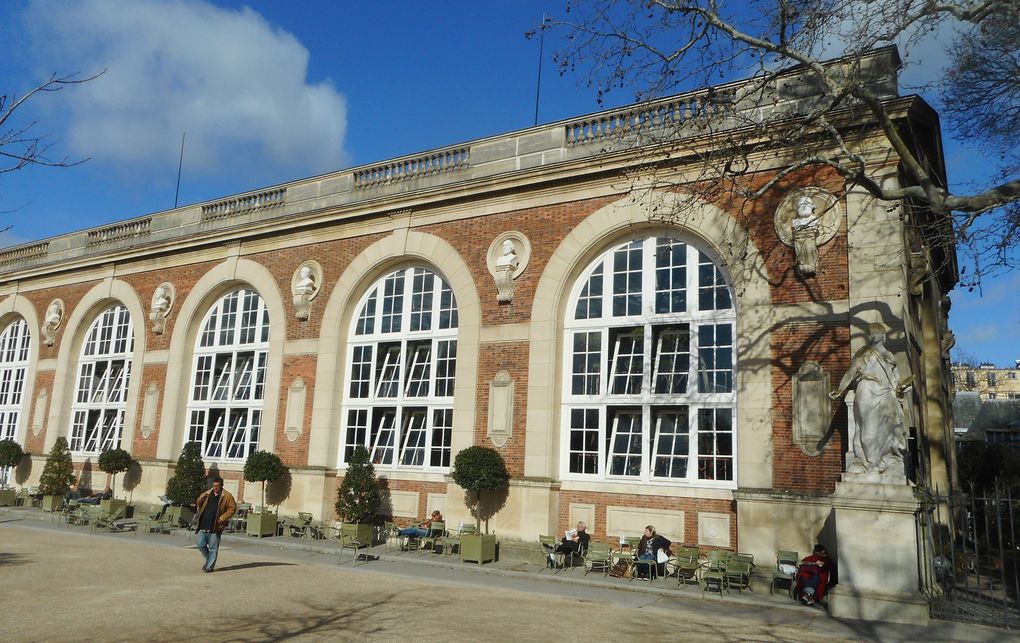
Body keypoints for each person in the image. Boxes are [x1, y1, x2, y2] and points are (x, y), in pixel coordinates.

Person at [830, 323, 911, 474]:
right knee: (868, 427)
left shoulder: (889, 356)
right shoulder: (863, 353)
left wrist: (903, 386)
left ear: (883, 336)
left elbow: (896, 379)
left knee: (894, 426)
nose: (872, 335)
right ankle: (869, 461)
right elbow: (851, 373)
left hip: (887, 393)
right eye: (870, 333)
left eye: (876, 332)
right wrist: (840, 388)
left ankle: (890, 457)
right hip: (867, 390)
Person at [194, 476, 237, 573]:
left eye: (217, 486)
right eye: (214, 486)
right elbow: (198, 503)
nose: (215, 488)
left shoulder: (227, 496)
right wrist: (202, 496)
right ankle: (209, 559)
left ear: (222, 486)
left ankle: (210, 566)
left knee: (213, 548)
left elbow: (232, 508)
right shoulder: (208, 494)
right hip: (203, 523)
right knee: (200, 544)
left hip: (215, 526)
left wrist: (222, 518)